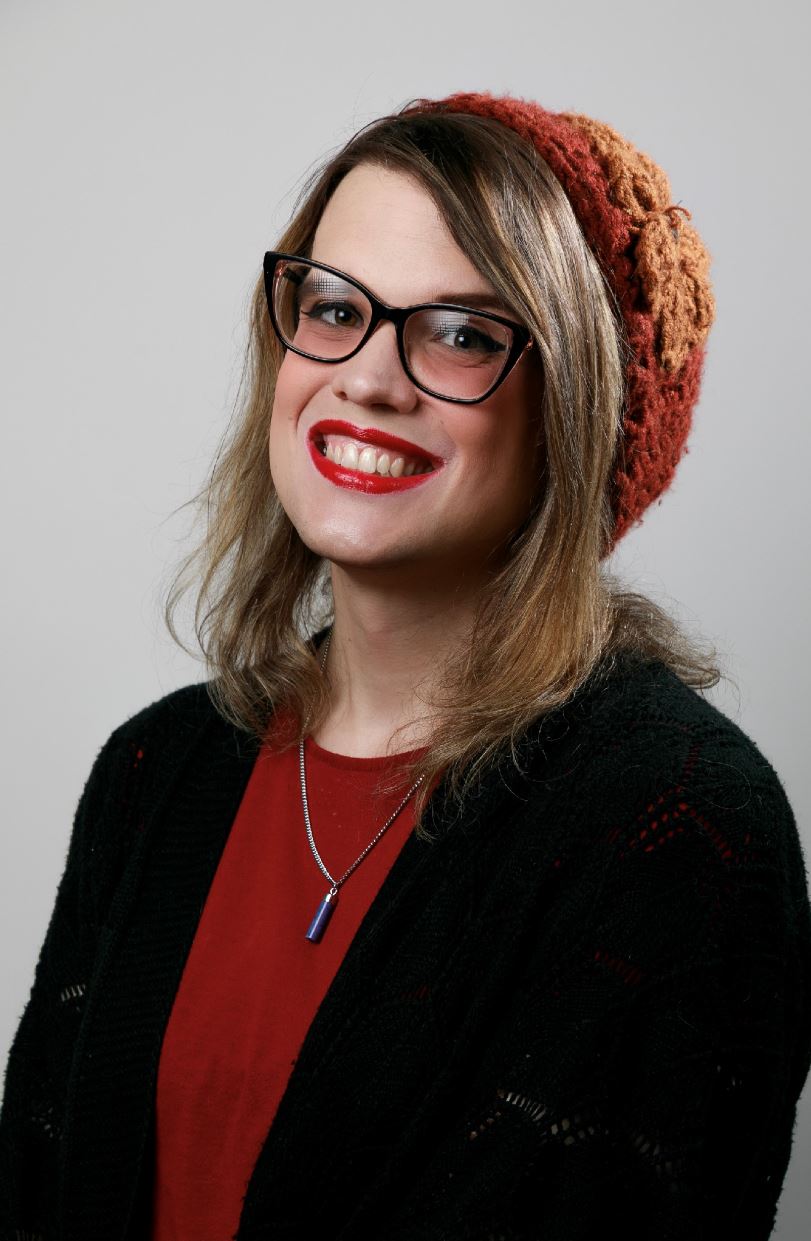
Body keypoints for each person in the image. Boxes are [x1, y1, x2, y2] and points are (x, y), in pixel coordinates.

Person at [1, 91, 809, 1241]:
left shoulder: (676, 821)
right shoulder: (153, 768)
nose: (370, 377)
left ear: (573, 412)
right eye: (333, 307)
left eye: (463, 333)